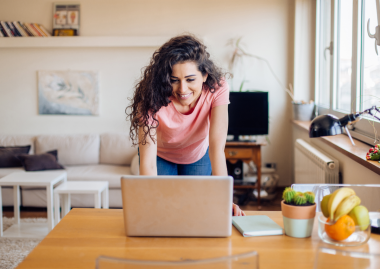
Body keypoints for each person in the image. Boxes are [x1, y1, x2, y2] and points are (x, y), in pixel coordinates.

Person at [126, 34, 245, 216]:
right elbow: (148, 162)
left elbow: (216, 148)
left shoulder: (217, 88)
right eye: (174, 80)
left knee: (196, 211)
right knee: (163, 212)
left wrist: (225, 200)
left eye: (190, 79)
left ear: (204, 75)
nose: (182, 89)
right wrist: (148, 202)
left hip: (197, 154)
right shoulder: (150, 97)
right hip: (161, 156)